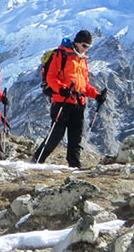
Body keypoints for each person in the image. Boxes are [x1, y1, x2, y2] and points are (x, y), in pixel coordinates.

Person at [32, 30, 107, 168]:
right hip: (62, 100)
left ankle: (74, 164)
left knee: (76, 135)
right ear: (77, 43)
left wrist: (96, 95)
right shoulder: (62, 55)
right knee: (56, 134)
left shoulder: (83, 60)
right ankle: (38, 159)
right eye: (84, 45)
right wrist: (61, 89)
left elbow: (84, 84)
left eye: (88, 47)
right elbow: (51, 77)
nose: (86, 49)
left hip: (78, 102)